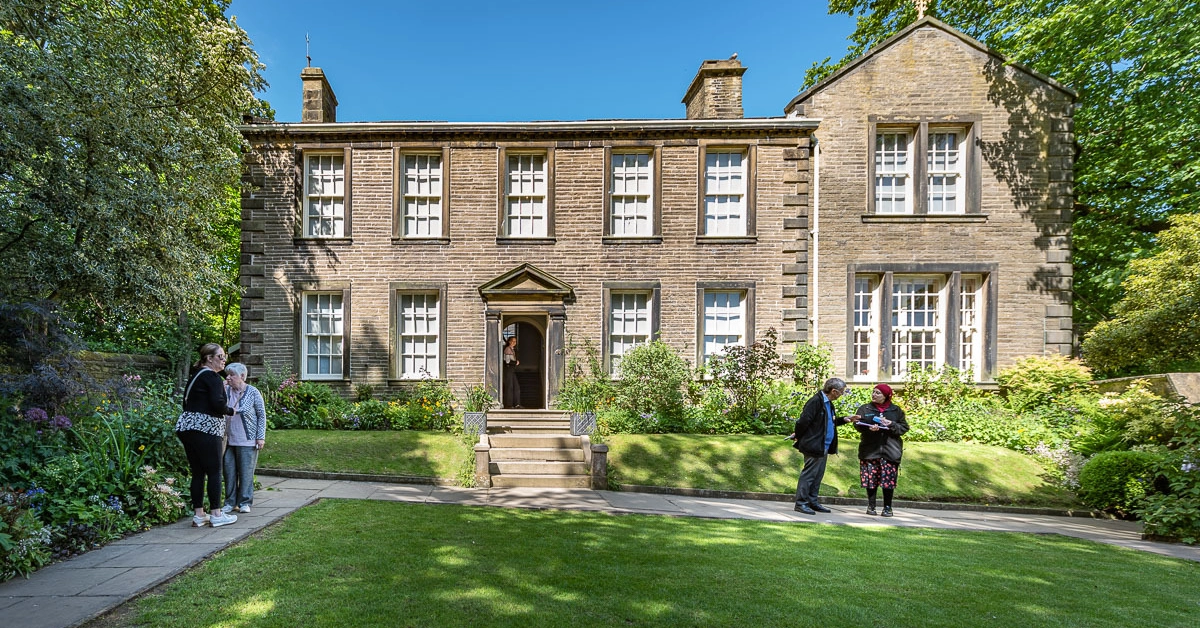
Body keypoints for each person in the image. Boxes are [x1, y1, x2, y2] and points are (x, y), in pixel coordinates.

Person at [175, 344, 237, 528]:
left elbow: (186, 402)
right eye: (220, 356)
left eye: (224, 357)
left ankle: (199, 515)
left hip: (187, 427)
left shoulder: (195, 376)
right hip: (207, 428)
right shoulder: (212, 376)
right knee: (215, 471)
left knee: (198, 472)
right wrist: (230, 410)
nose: (223, 360)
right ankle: (217, 514)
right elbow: (217, 404)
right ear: (209, 358)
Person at [789, 378, 858, 515]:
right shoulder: (815, 402)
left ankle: (812, 502)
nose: (842, 394)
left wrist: (845, 419)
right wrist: (798, 435)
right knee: (809, 475)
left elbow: (828, 422)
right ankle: (801, 503)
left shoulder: (829, 404)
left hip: (823, 446)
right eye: (841, 392)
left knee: (817, 476)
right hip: (814, 445)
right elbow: (803, 422)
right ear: (834, 391)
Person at [854, 383, 909, 517]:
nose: (874, 395)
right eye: (873, 392)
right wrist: (868, 428)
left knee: (888, 480)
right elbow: (857, 424)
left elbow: (904, 428)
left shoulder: (896, 411)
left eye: (878, 393)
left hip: (890, 450)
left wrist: (891, 424)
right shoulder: (864, 408)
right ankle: (871, 506)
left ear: (886, 396)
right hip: (870, 450)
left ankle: (887, 507)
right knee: (870, 479)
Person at [221, 362, 267, 514]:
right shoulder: (225, 390)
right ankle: (229, 502)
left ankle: (245, 502)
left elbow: (261, 415)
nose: (228, 377)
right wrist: (220, 388)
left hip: (247, 439)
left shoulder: (253, 392)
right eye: (227, 374)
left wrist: (260, 437)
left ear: (242, 376)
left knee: (246, 473)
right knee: (229, 471)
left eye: (231, 375)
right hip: (227, 439)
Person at [502, 336, 521, 408]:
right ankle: (509, 404)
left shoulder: (513, 350)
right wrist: (516, 362)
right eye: (512, 341)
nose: (514, 343)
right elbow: (507, 361)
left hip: (512, 370)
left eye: (515, 341)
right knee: (509, 387)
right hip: (509, 369)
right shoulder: (507, 349)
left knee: (516, 387)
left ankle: (517, 404)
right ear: (509, 341)